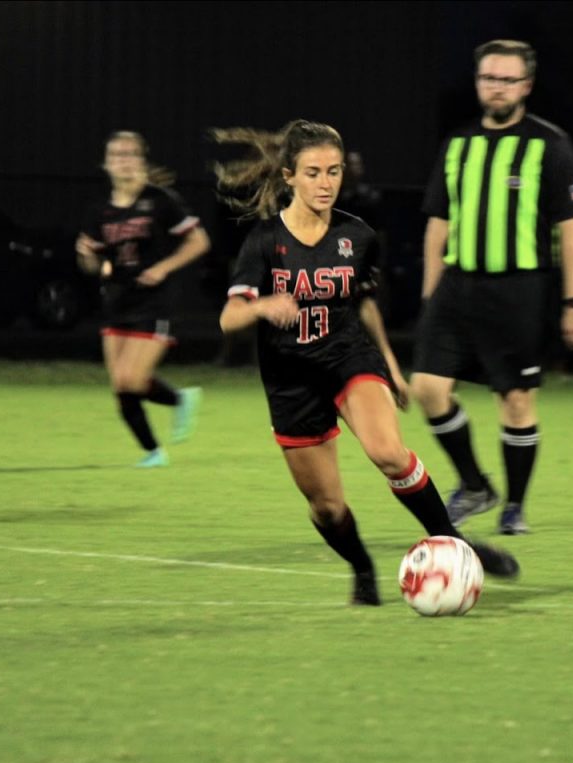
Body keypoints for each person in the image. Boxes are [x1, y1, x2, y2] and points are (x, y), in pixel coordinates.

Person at [214, 119, 519, 606]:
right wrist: (260, 307)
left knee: (389, 453)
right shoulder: (265, 242)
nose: (326, 183)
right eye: (313, 172)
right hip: (291, 380)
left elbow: (366, 304)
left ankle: (456, 545)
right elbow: (229, 317)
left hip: (348, 358)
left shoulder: (357, 236)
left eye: (333, 171)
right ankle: (361, 568)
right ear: (289, 176)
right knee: (328, 507)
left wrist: (391, 368)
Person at [410, 40, 573, 535]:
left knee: (514, 399)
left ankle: (514, 506)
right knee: (426, 387)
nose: (497, 87)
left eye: (508, 79)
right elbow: (437, 224)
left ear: (527, 86)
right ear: (478, 83)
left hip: (519, 291)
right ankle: (474, 484)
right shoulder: (458, 144)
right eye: (489, 78)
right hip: (456, 287)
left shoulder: (550, 145)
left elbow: (572, 232)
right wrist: (430, 296)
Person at [75, 131, 211, 468]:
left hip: (154, 302)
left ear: (142, 160)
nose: (123, 159)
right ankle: (154, 452)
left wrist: (163, 268)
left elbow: (199, 241)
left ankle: (179, 400)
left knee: (131, 380)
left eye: (130, 153)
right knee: (120, 387)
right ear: (106, 164)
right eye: (116, 154)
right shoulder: (100, 211)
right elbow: (91, 263)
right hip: (117, 302)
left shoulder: (161, 200)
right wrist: (88, 257)